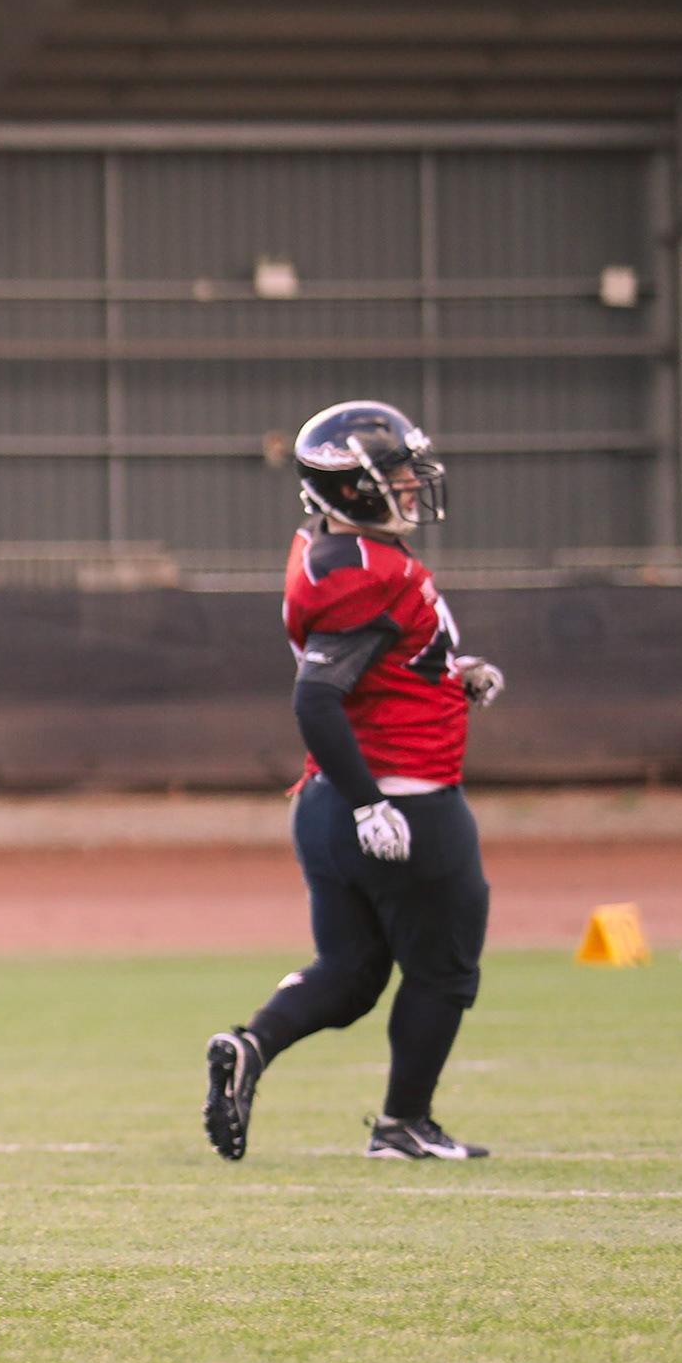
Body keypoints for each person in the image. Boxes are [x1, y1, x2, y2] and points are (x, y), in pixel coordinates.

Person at [204, 401, 502, 1164]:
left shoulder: (328, 546)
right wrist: (374, 804)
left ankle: (251, 1046)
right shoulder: (370, 572)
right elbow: (316, 695)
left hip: (325, 803)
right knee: (444, 970)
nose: (412, 485)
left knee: (349, 973)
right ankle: (403, 1126)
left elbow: (376, 664)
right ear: (355, 487)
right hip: (401, 798)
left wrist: (449, 672)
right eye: (396, 473)